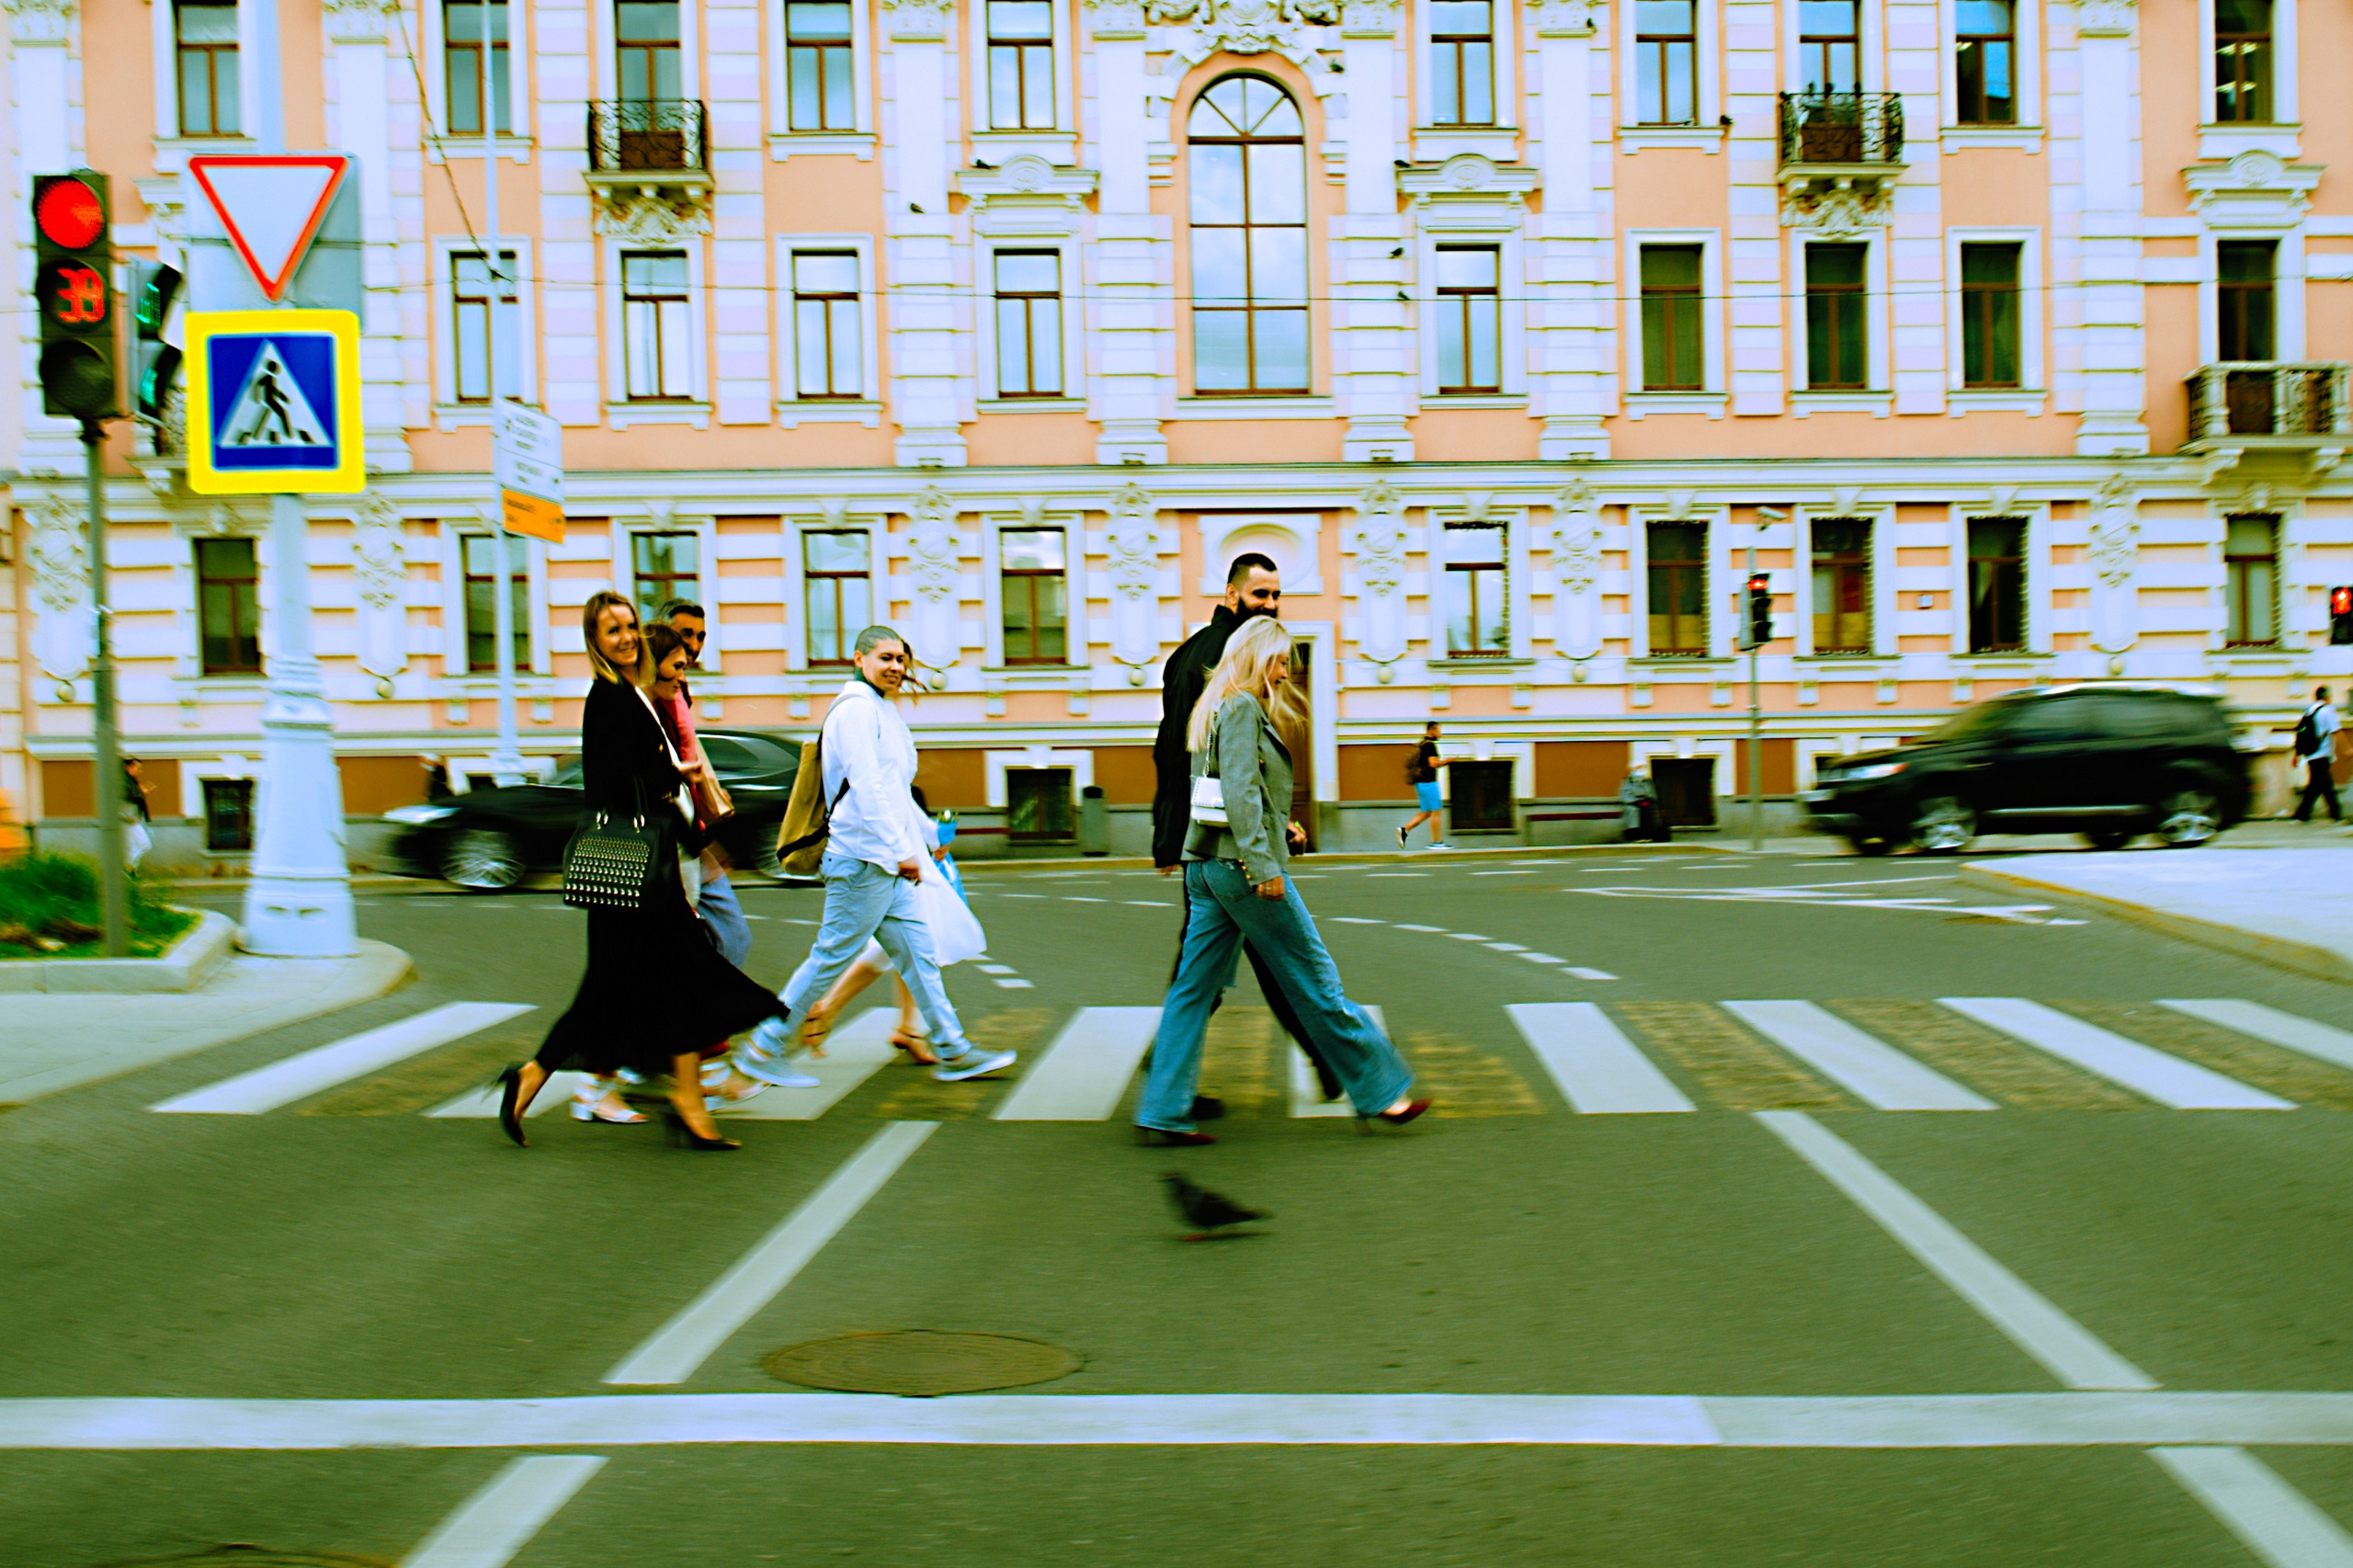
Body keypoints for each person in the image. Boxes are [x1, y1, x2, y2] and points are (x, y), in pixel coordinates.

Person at [495, 590, 796, 1152]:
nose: (628, 636)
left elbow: (651, 778)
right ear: (594, 642)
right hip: (633, 871)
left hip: (643, 866)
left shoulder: (631, 692)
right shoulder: (606, 698)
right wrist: (672, 783)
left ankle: (539, 1080)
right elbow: (619, 787)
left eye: (631, 625)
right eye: (613, 630)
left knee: (626, 988)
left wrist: (671, 781)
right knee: (673, 974)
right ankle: (678, 1100)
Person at [1136, 616, 1428, 1144]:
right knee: (1317, 980)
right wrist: (1263, 864)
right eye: (1279, 660)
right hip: (1240, 871)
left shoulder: (1214, 704)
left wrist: (1279, 825)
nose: (1287, 672)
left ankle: (1161, 1111)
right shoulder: (1244, 706)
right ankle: (1384, 1093)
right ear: (1256, 658)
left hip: (1204, 866)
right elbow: (1241, 793)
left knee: (1191, 993)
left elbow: (1228, 789)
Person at [727, 626, 1017, 1088]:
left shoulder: (881, 710)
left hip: (885, 861)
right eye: (885, 658)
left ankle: (953, 1049)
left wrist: (925, 834)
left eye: (901, 660)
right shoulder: (856, 712)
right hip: (863, 860)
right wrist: (905, 851)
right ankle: (764, 1048)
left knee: (919, 959)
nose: (897, 668)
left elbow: (895, 790)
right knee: (829, 957)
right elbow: (866, 786)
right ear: (858, 659)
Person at [1150, 552, 1342, 1108]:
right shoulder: (1220, 660)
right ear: (1231, 595)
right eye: (1261, 595)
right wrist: (1183, 837)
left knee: (1214, 968)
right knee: (1259, 961)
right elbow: (1189, 756)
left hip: (1216, 841)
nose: (1272, 604)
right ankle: (1168, 1081)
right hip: (1222, 847)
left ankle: (1166, 1083)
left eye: (1277, 595)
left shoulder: (1203, 653)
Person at [796, 786, 961, 1065]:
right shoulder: (881, 778)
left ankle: (909, 1027)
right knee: (890, 947)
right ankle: (780, 1037)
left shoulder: (891, 777)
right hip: (895, 865)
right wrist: (929, 840)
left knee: (911, 948)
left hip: (890, 860)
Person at [655, 598, 753, 972]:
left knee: (724, 939)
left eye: (700, 636)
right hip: (675, 840)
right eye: (685, 635)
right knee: (726, 938)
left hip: (689, 835)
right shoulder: (656, 695)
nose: (695, 647)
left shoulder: (678, 689)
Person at [1395, 722, 1457, 850]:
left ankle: (1404, 831)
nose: (1440, 734)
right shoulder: (1430, 746)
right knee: (1436, 812)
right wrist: (1448, 761)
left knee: (1426, 813)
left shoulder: (1422, 744)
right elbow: (1433, 764)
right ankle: (1436, 842)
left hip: (1421, 783)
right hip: (1429, 783)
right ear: (1432, 730)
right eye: (1439, 730)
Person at [2293, 685, 2343, 824]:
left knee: (2321, 784)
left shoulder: (2309, 710)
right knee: (2321, 784)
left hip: (2310, 753)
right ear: (2327, 696)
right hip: (2322, 752)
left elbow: (2300, 732)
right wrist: (2347, 749)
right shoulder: (2328, 710)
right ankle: (2304, 814)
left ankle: (2333, 813)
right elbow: (2336, 730)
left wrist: (2296, 754)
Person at [1620, 762, 1669, 844]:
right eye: (1638, 768)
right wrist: (1636, 801)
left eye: (1642, 767)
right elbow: (1625, 795)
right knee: (1634, 812)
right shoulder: (1629, 781)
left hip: (1647, 803)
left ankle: (1650, 835)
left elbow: (1652, 794)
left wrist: (1648, 800)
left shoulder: (1647, 781)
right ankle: (1636, 836)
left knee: (1651, 811)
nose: (1640, 769)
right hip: (1633, 804)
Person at [120, 756, 153, 872]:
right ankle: (127, 869)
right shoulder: (124, 782)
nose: (140, 772)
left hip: (133, 818)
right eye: (137, 768)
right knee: (145, 846)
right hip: (129, 819)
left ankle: (130, 873)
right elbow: (125, 797)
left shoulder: (132, 781)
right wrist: (142, 793)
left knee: (131, 849)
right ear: (128, 767)